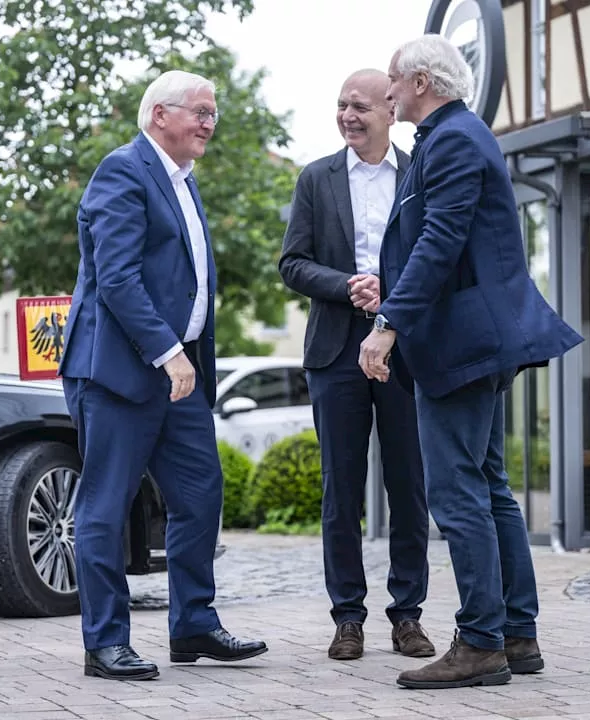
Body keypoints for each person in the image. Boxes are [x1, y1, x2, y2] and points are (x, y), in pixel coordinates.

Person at [359, 35, 584, 690]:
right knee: (488, 488)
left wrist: (388, 323)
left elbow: (441, 238)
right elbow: (442, 245)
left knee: (459, 491)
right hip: (476, 338)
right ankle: (517, 632)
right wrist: (392, 288)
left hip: (462, 345)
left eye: (395, 82)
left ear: (422, 82)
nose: (390, 92)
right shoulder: (459, 135)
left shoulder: (453, 138)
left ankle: (481, 640)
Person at [57, 69, 268, 682]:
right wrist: (168, 351)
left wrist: (187, 360)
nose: (209, 123)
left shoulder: (184, 181)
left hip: (181, 378)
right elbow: (116, 278)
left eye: (213, 114)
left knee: (201, 494)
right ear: (159, 116)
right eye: (200, 112)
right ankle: (105, 644)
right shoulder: (122, 171)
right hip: (121, 375)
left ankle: (194, 625)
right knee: (106, 508)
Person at [279, 69, 434, 662]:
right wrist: (349, 286)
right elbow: (292, 264)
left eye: (360, 106)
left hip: (404, 350)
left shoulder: (416, 174)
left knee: (409, 486)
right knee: (340, 492)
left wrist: (388, 291)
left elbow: (431, 253)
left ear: (389, 110)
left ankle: (408, 616)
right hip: (335, 353)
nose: (348, 115)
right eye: (341, 105)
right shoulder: (316, 179)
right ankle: (347, 618)